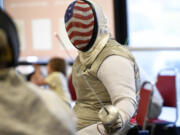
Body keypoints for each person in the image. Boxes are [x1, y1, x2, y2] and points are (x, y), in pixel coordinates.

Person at [64, 0, 140, 134]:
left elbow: (126, 100)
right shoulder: (82, 57)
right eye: (73, 25)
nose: (77, 29)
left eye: (81, 23)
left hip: (107, 128)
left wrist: (119, 117)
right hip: (79, 124)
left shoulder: (112, 58)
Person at [0, 9, 76, 135]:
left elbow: (39, 82)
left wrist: (35, 72)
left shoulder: (56, 76)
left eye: (48, 66)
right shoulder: (53, 105)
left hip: (65, 104)